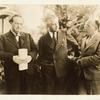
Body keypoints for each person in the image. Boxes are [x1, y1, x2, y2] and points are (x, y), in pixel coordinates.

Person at [37, 14, 78, 94]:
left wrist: (71, 56)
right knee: (49, 92)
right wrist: (45, 66)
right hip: (48, 72)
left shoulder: (64, 33)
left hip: (62, 69)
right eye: (54, 24)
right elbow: (40, 55)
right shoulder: (42, 39)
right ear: (48, 25)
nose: (57, 26)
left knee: (61, 93)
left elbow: (75, 45)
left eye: (57, 23)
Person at [0, 15, 37, 94]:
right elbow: (0, 53)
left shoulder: (27, 36)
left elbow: (35, 49)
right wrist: (12, 58)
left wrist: (30, 57)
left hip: (27, 73)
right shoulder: (3, 37)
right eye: (17, 23)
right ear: (11, 23)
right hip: (12, 74)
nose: (19, 26)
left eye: (21, 24)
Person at [76, 17, 100, 94]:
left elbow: (98, 57)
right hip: (81, 75)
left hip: (94, 76)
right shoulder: (84, 39)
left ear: (95, 28)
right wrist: (75, 59)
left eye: (88, 25)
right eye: (85, 25)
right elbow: (83, 54)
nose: (85, 28)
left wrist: (81, 61)